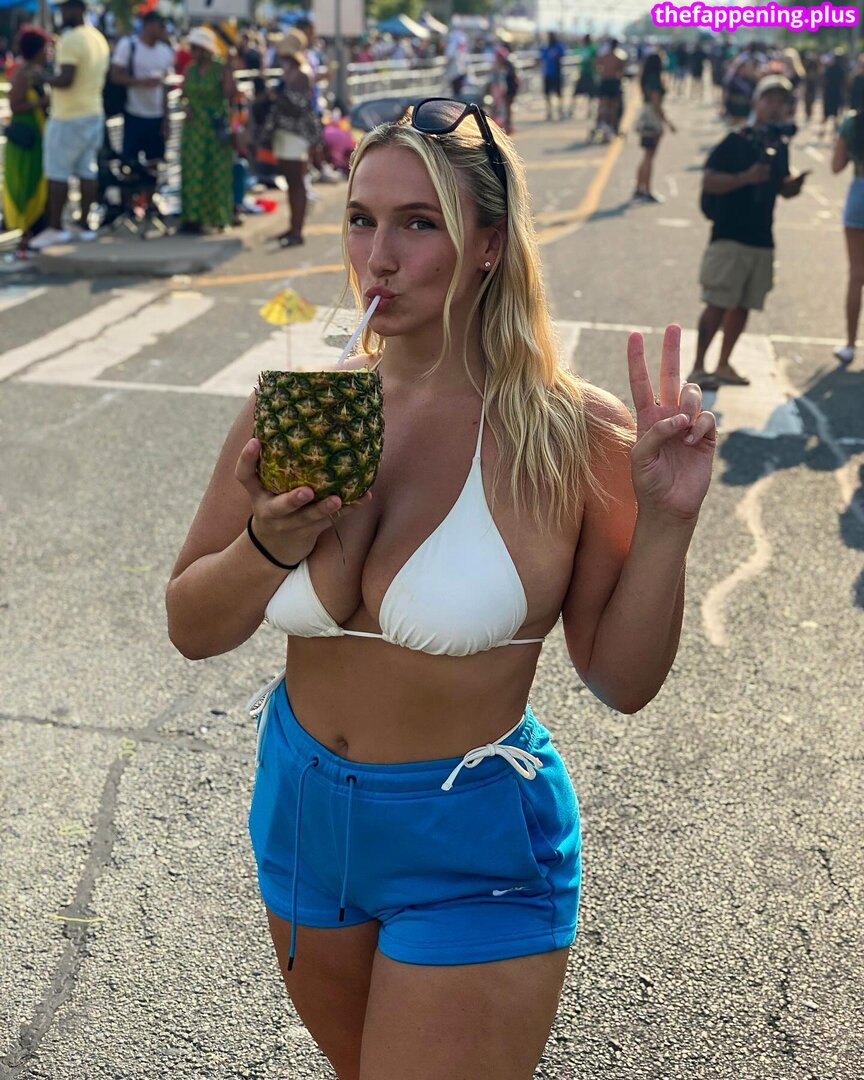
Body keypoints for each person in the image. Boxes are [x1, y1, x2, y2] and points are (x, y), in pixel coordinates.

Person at [166, 95, 716, 1080]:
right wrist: (266, 543)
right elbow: (192, 626)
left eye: (419, 224)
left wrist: (667, 524)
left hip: (472, 841)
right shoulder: (294, 406)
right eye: (362, 219)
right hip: (301, 815)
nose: (378, 257)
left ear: (490, 246)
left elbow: (623, 680)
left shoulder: (573, 433)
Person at [689, 76, 807, 389]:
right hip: (729, 234)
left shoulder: (779, 145)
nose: (775, 107)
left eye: (781, 102)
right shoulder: (736, 140)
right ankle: (698, 368)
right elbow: (709, 181)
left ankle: (723, 364)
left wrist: (792, 186)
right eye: (769, 99)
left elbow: (780, 186)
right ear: (756, 103)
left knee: (743, 305)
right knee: (717, 302)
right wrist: (745, 177)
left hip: (761, 237)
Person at [31, 0, 109, 249]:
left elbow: (66, 79)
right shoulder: (98, 38)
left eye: (64, 8)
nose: (61, 13)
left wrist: (41, 76)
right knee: (87, 171)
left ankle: (56, 228)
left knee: (58, 173)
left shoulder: (71, 39)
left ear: (77, 9)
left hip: (68, 116)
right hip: (93, 112)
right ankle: (85, 226)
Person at [256, 29, 322, 247]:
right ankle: (293, 226)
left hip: (296, 133)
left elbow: (297, 104)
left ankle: (297, 230)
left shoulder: (301, 73)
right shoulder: (293, 72)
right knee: (292, 181)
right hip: (286, 132)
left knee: (296, 182)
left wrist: (274, 95)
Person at [178, 26, 234, 234]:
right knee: (192, 172)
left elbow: (230, 95)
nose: (191, 52)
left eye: (195, 48)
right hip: (194, 130)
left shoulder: (220, 68)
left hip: (215, 128)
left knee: (216, 173)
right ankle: (192, 218)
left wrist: (230, 71)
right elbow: (183, 95)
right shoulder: (190, 69)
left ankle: (217, 217)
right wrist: (186, 107)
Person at [2, 25, 52, 255]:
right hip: (26, 138)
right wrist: (40, 103)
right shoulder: (24, 74)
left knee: (39, 179)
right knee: (26, 181)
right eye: (46, 48)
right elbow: (15, 105)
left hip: (39, 135)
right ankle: (24, 233)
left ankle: (36, 232)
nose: (49, 53)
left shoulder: (39, 72)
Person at [109, 11, 174, 165]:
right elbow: (115, 75)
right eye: (160, 26)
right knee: (129, 165)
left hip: (156, 117)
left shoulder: (166, 51)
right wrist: (140, 82)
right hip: (133, 114)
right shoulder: (129, 45)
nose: (163, 30)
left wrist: (167, 119)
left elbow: (165, 88)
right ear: (148, 26)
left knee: (155, 164)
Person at [830, 107, 864, 365]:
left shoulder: (853, 122)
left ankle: (851, 344)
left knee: (856, 275)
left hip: (859, 197)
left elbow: (836, 166)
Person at [634, 51, 676, 204]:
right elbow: (657, 104)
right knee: (649, 156)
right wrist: (668, 122)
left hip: (646, 115)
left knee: (646, 155)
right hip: (652, 118)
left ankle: (639, 187)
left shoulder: (645, 78)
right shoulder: (655, 80)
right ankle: (646, 189)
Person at [594, 38, 626, 141]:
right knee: (613, 106)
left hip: (605, 81)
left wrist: (603, 73)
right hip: (613, 82)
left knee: (603, 106)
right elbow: (621, 72)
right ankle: (610, 127)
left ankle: (603, 125)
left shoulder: (603, 56)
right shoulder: (619, 57)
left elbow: (598, 67)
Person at [540, 31, 566, 121]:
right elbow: (542, 60)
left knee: (559, 94)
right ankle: (549, 112)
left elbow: (563, 54)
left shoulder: (558, 47)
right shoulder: (545, 48)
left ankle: (560, 111)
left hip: (557, 74)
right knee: (547, 94)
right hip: (547, 74)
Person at [570, 33, 596, 119]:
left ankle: (590, 111)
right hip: (582, 73)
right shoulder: (582, 48)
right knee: (576, 93)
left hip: (590, 74)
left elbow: (594, 60)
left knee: (591, 94)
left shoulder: (593, 49)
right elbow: (575, 52)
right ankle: (572, 110)